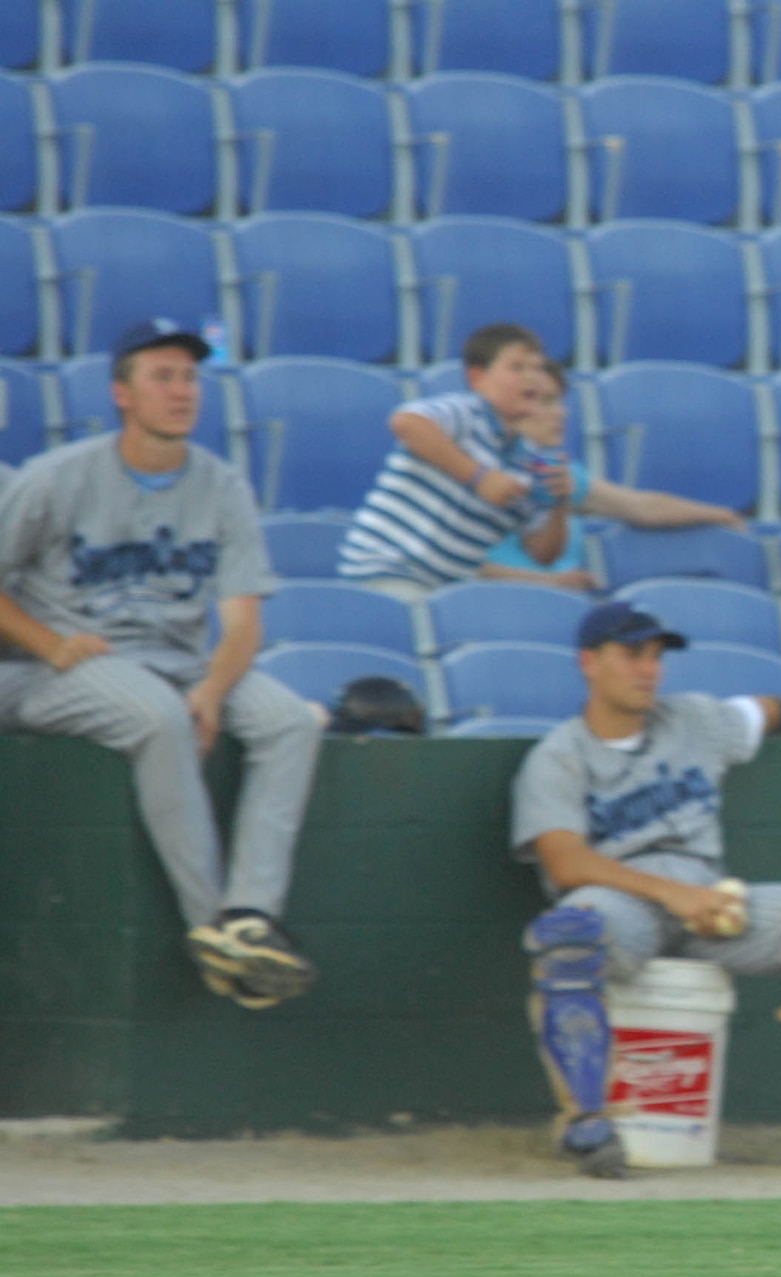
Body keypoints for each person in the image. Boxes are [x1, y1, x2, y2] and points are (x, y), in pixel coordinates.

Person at [512, 599, 781, 1178]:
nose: (648, 669)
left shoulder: (695, 720)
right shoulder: (557, 756)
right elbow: (567, 861)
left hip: (711, 902)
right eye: (631, 655)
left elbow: (773, 711)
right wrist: (669, 894)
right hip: (621, 906)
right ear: (589, 662)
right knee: (567, 935)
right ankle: (586, 1125)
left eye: (655, 657)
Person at [0, 320, 321, 1010]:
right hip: (56, 665)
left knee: (291, 722)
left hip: (174, 661)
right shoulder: (56, 477)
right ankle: (210, 927)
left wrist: (213, 688)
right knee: (159, 717)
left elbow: (243, 622)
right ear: (122, 392)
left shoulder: (221, 484)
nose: (181, 392)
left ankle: (250, 916)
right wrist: (49, 643)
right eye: (162, 377)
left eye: (189, 377)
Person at [337, 323, 570, 601]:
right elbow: (406, 421)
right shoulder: (466, 412)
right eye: (517, 368)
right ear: (477, 378)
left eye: (538, 368)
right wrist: (480, 477)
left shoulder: (529, 460)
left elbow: (540, 552)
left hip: (448, 593)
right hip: (385, 570)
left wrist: (560, 502)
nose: (531, 378)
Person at [480, 360, 747, 594]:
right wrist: (546, 582)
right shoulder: (477, 472)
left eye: (560, 401)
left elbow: (641, 507)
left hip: (562, 606)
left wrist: (718, 514)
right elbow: (460, 568)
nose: (562, 412)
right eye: (547, 401)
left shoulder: (560, 474)